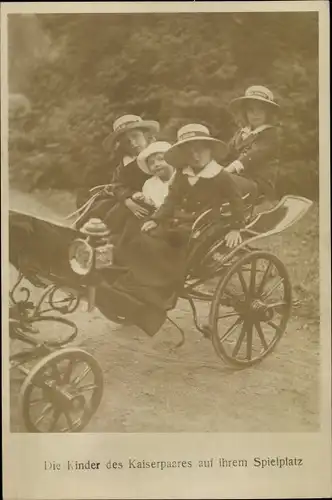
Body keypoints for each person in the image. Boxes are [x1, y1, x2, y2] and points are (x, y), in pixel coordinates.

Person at [72, 114, 160, 230]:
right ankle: (85, 231)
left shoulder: (157, 157)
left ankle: (107, 236)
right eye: (126, 141)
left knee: (121, 214)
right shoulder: (125, 163)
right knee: (101, 207)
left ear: (146, 136)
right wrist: (127, 199)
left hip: (154, 200)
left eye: (136, 136)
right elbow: (117, 185)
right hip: (129, 199)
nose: (133, 143)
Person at [225, 85, 280, 199]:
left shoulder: (270, 134)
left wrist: (228, 170)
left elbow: (253, 155)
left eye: (260, 110)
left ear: (268, 113)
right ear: (245, 113)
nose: (256, 114)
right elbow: (226, 153)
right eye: (251, 110)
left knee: (221, 179)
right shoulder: (241, 134)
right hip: (240, 181)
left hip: (259, 186)